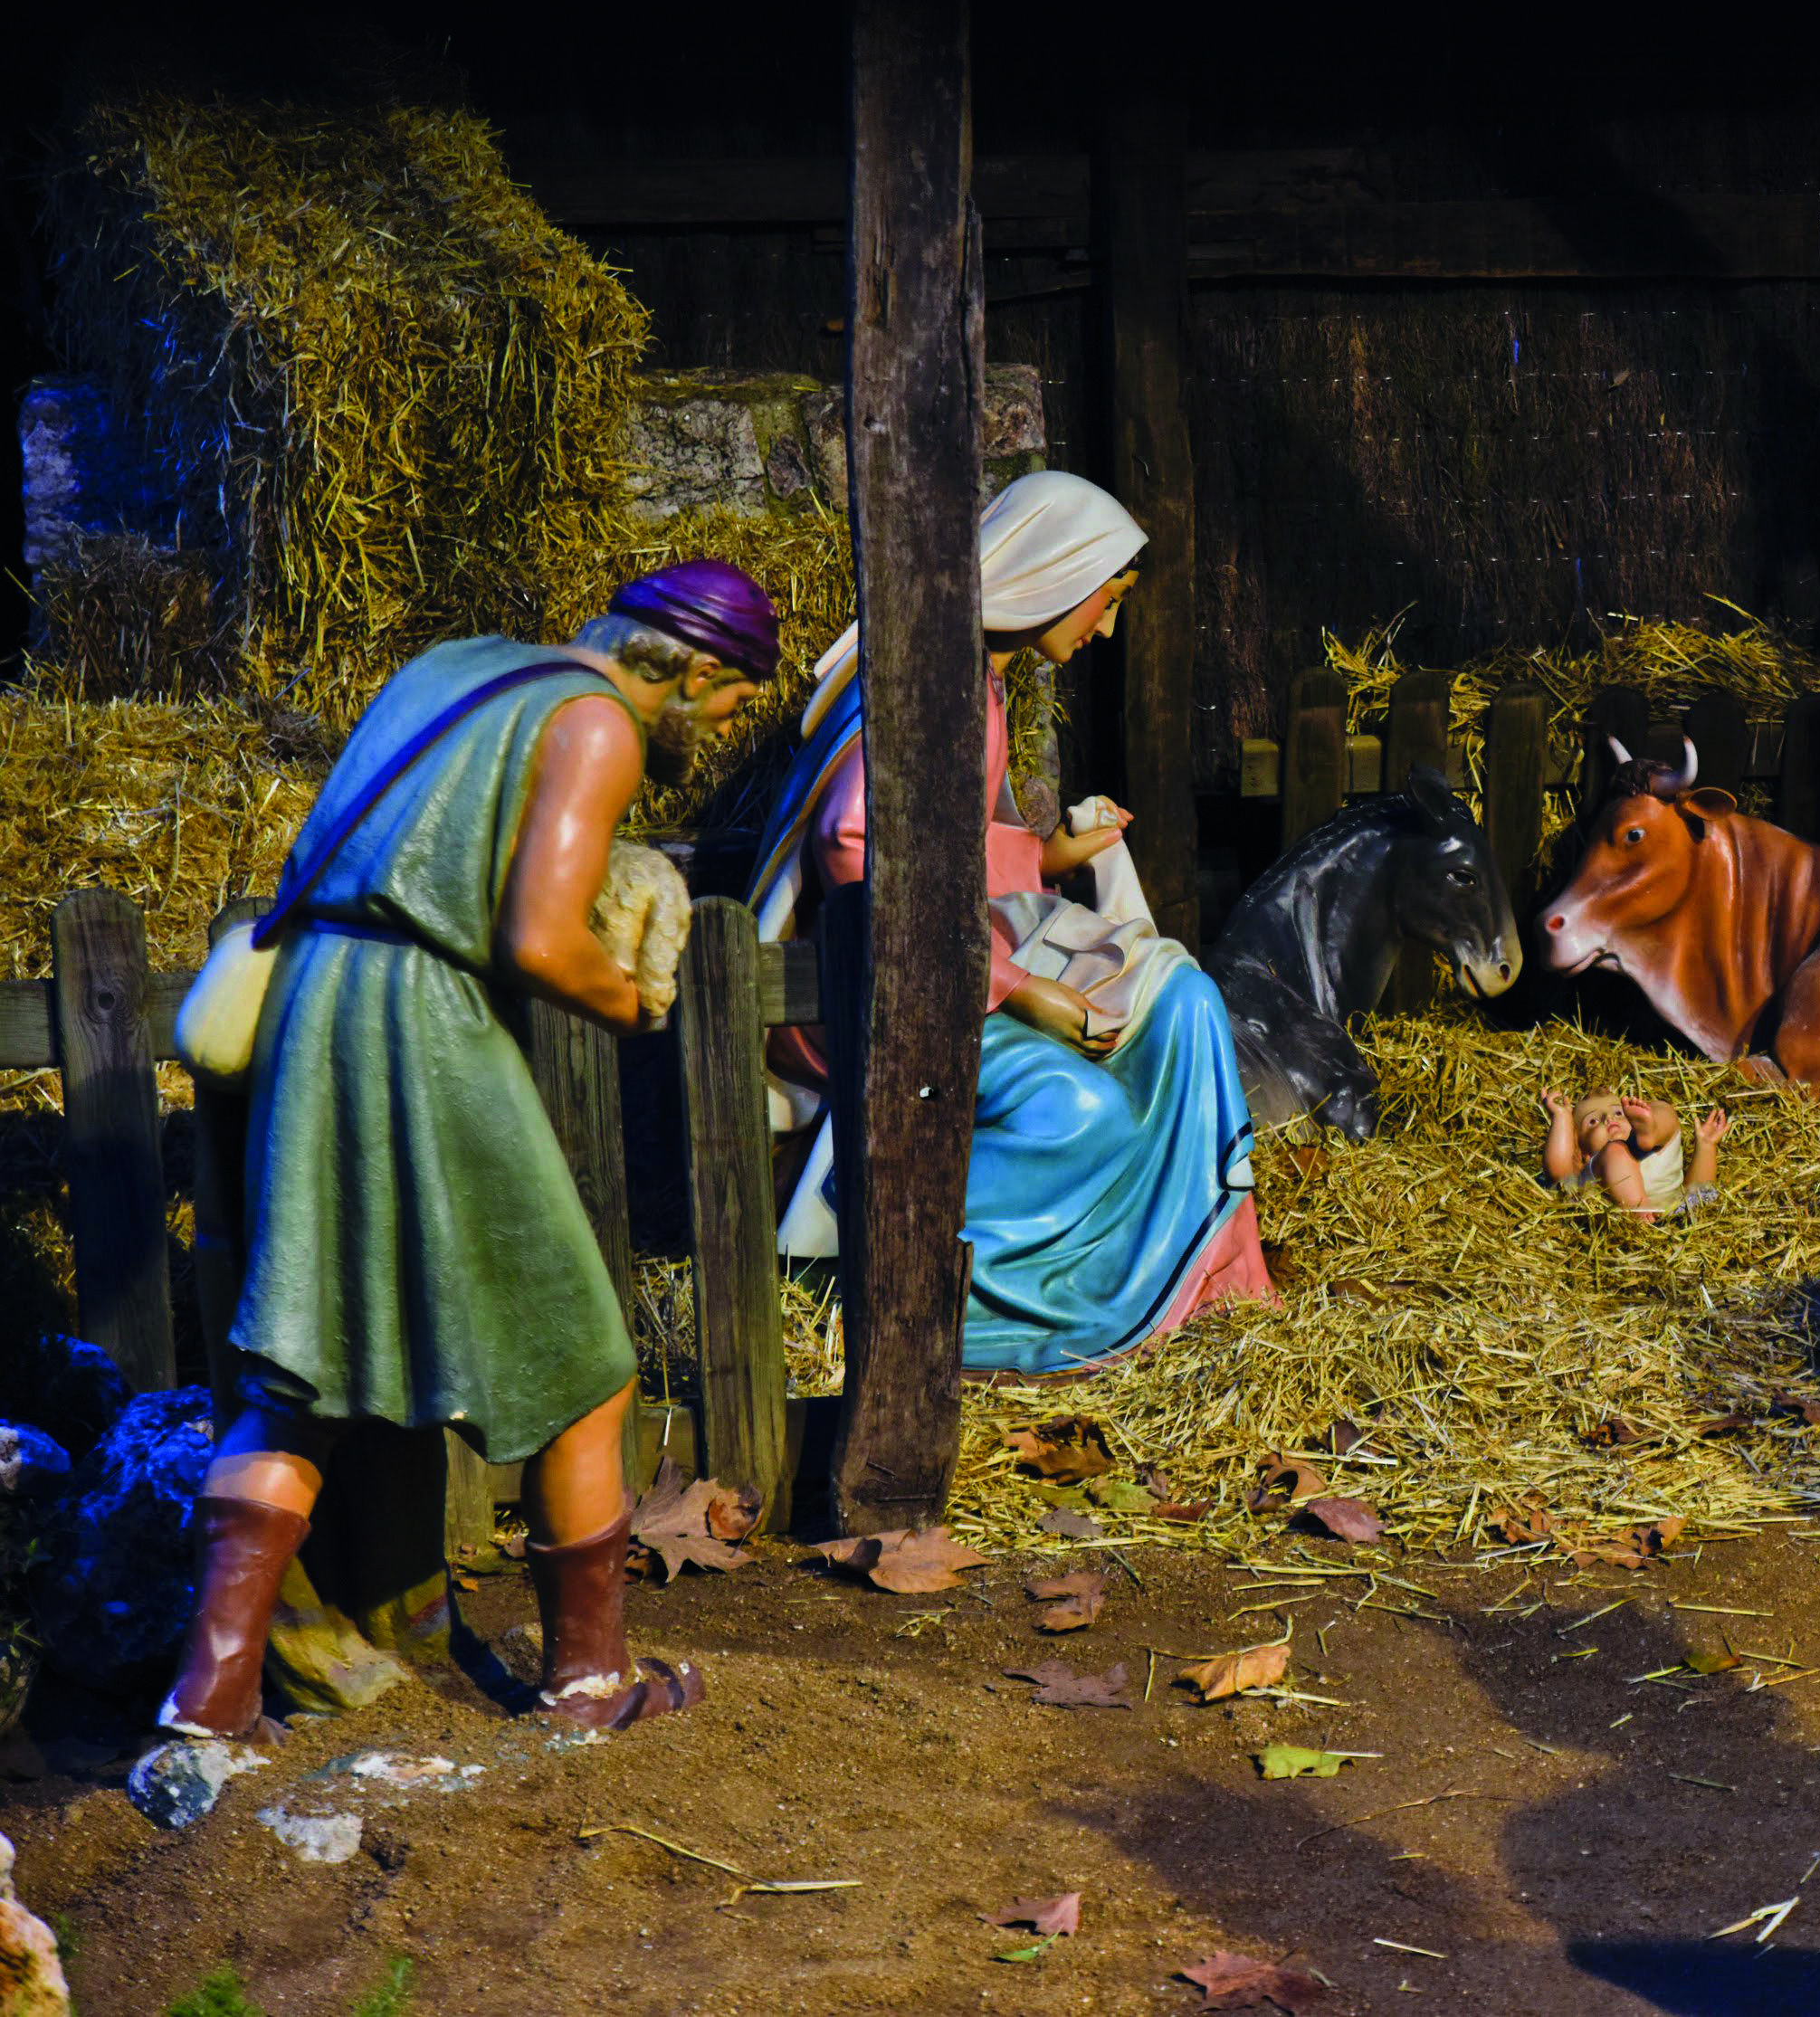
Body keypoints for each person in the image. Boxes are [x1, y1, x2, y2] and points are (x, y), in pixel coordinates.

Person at [155, 561, 782, 1747]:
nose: (724, 726)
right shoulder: (599, 724)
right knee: (588, 1366)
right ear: (698, 674)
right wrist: (631, 1000)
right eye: (736, 703)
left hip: (313, 1011)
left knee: (295, 1373)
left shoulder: (454, 668)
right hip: (422, 1027)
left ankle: (207, 1702)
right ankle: (589, 1684)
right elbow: (538, 938)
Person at [755, 470, 1271, 1372]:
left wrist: (1048, 858)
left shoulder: (979, 684)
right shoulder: (939, 688)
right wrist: (1016, 990)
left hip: (947, 968)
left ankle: (1171, 1267)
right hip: (880, 1010)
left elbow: (940, 843)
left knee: (1180, 999)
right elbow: (851, 841)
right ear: (1052, 575)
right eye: (1103, 602)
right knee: (1081, 1112)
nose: (1105, 627)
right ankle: (878, 1290)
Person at [1539, 1090, 1728, 1220]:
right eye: (1593, 1121)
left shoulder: (1649, 1151)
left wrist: (1705, 1146)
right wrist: (1561, 1117)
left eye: (1619, 1112)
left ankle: (1652, 1128)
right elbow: (1558, 1170)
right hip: (1638, 1220)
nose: (1609, 1118)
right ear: (1583, 1153)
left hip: (1674, 1209)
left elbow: (1698, 1190)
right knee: (1615, 1151)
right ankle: (1639, 1209)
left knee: (1666, 1111)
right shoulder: (1592, 1167)